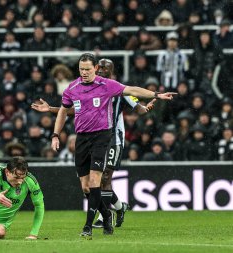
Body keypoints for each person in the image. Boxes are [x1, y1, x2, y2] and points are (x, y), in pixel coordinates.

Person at [50, 53, 176, 237]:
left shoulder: (107, 85)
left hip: (103, 137)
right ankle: (107, 214)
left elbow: (132, 90)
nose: (84, 72)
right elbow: (64, 111)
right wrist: (55, 135)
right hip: (82, 138)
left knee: (98, 181)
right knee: (86, 187)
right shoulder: (72, 88)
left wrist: (156, 95)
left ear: (94, 69)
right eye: (81, 69)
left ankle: (87, 226)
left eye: (87, 69)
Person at [32, 58, 155, 230]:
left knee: (104, 178)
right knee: (92, 183)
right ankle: (119, 207)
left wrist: (148, 107)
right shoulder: (84, 88)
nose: (103, 71)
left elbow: (139, 109)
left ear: (111, 72)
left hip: (113, 139)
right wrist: (52, 109)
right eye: (101, 68)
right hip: (91, 137)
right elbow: (74, 110)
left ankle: (102, 218)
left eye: (107, 69)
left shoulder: (117, 89)